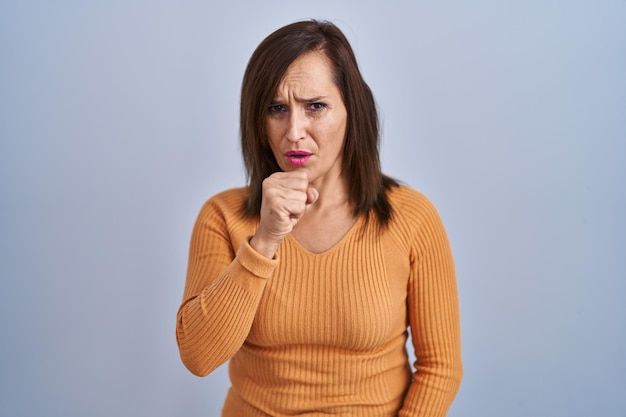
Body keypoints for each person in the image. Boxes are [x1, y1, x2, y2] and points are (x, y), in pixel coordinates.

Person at [176, 19, 463, 417]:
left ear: (351, 110)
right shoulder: (221, 216)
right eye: (277, 109)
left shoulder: (411, 217)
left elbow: (440, 369)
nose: (294, 131)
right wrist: (264, 241)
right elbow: (198, 357)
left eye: (315, 106)